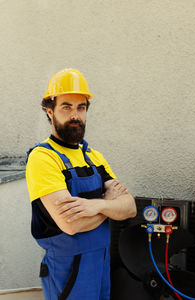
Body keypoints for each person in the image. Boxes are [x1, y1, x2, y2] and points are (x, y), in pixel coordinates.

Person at [26, 68, 137, 300]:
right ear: (50, 111)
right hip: (67, 271)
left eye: (81, 107)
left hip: (101, 265)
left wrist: (96, 207)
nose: (75, 115)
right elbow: (71, 225)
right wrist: (108, 203)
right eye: (66, 107)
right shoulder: (43, 158)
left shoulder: (93, 156)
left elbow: (129, 208)